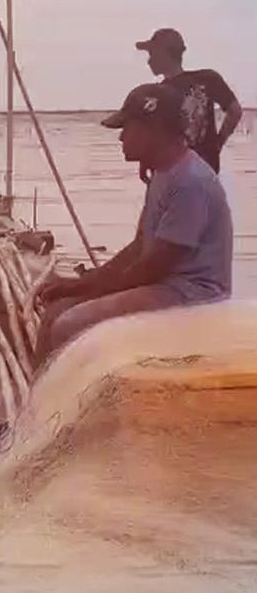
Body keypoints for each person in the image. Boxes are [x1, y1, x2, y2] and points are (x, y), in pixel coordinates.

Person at [35, 82, 232, 363]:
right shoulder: (163, 174)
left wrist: (89, 288)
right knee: (57, 310)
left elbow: (152, 268)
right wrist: (80, 284)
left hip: (192, 295)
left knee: (68, 324)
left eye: (127, 128)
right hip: (167, 285)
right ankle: (38, 396)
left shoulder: (190, 183)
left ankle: (58, 401)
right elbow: (140, 247)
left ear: (153, 130)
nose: (121, 138)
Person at [136, 27, 243, 176]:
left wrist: (146, 162)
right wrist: (217, 144)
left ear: (164, 53)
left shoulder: (158, 93)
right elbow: (235, 111)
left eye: (152, 54)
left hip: (175, 175)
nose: (149, 61)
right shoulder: (209, 78)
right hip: (206, 170)